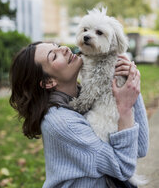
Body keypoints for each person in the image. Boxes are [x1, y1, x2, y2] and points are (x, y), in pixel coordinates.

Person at [9, 41, 149, 188]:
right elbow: (123, 168)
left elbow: (139, 148)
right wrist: (125, 108)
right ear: (48, 82)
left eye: (56, 46)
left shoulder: (88, 100)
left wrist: (128, 82)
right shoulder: (61, 121)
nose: (63, 48)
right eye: (53, 56)